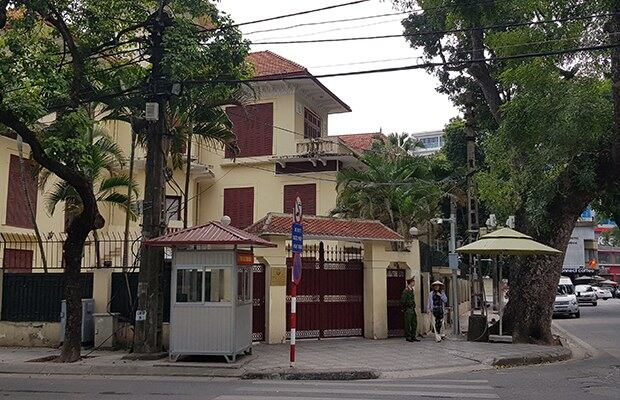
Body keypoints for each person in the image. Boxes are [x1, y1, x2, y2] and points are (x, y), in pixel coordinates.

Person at [401, 277, 419, 342]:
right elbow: (403, 300)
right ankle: (408, 336)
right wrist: (404, 308)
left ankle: (413, 336)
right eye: (413, 282)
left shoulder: (411, 290)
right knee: (408, 323)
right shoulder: (406, 291)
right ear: (410, 283)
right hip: (408, 309)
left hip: (412, 308)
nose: (414, 283)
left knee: (414, 323)